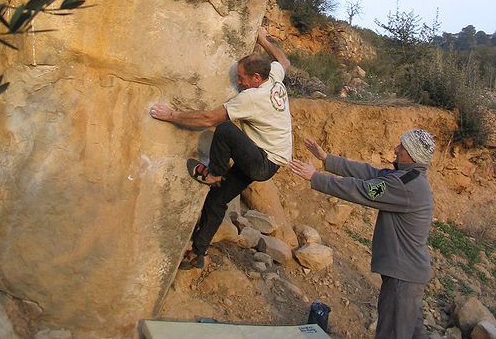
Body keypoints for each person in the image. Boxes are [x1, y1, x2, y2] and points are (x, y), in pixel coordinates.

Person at [148, 26, 292, 270]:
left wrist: (171, 115)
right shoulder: (275, 78)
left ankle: (214, 173)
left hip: (262, 161)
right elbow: (284, 61)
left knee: (225, 129)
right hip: (266, 160)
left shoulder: (251, 98)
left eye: (242, 77)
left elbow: (207, 119)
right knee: (217, 199)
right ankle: (198, 252)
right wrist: (263, 40)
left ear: (257, 79)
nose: (239, 81)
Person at [290, 129, 435, 339]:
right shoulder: (408, 177)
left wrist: (315, 177)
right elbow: (370, 173)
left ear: (411, 154)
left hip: (403, 279)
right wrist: (327, 159)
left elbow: (364, 190)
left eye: (401, 147)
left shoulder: (405, 185)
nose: (395, 149)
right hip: (408, 275)